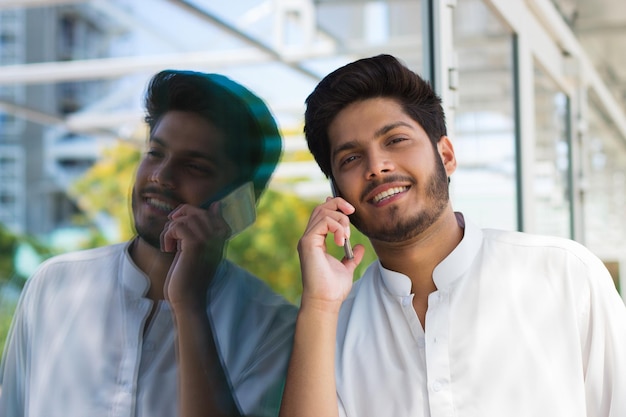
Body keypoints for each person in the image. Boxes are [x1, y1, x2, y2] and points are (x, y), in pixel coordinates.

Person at [279, 54, 626, 417]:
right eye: (350, 159)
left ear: (445, 155)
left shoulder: (565, 274)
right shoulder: (330, 326)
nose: (377, 166)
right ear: (336, 193)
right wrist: (318, 306)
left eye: (395, 140)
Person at [0, 70, 297, 417]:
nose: (161, 176)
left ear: (241, 202)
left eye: (194, 166)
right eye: (155, 153)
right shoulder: (54, 283)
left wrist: (189, 305)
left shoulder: (273, 327)